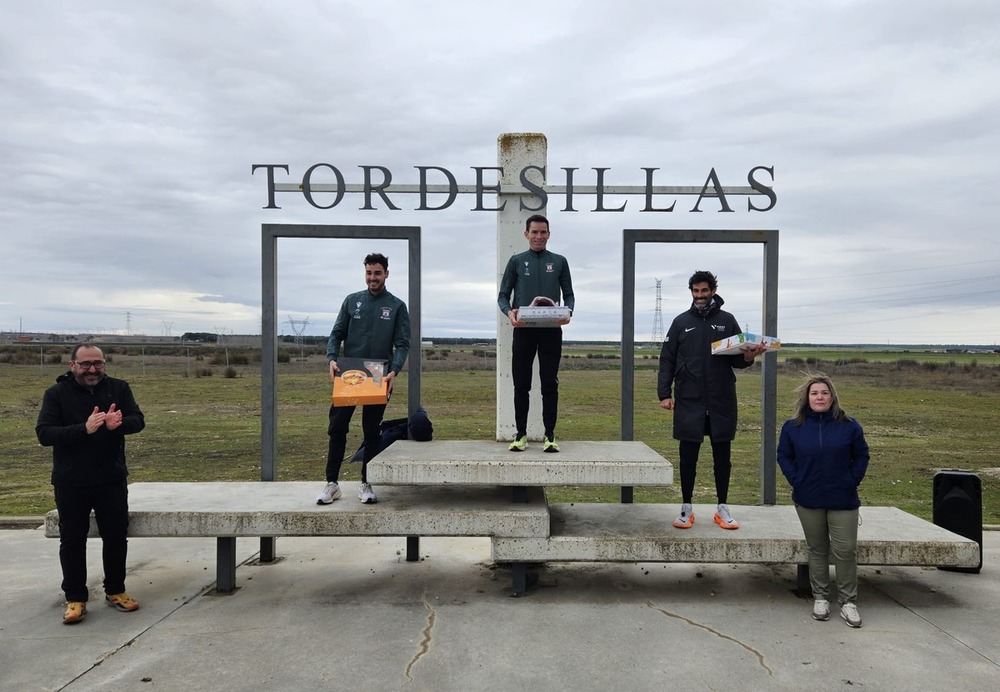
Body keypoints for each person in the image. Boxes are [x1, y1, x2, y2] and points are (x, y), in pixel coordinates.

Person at [35, 344, 145, 624]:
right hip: (71, 481)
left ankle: (116, 591)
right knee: (72, 539)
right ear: (72, 365)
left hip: (111, 478)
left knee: (116, 536)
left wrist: (117, 424)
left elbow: (138, 421)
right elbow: (45, 433)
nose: (92, 370)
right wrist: (84, 429)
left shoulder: (119, 388)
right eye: (85, 364)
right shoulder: (56, 394)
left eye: (98, 363)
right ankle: (75, 598)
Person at [657, 270, 765, 530]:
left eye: (704, 291)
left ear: (713, 291)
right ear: (691, 292)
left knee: (722, 456)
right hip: (689, 398)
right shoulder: (681, 322)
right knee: (688, 456)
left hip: (721, 398)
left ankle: (723, 508)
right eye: (695, 291)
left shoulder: (727, 321)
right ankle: (686, 508)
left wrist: (750, 356)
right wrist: (665, 393)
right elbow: (667, 358)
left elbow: (738, 359)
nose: (700, 296)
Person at [777, 373, 870, 628]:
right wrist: (797, 480)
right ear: (807, 398)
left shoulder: (849, 426)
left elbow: (862, 455)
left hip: (843, 498)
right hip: (808, 498)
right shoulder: (792, 427)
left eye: (824, 393)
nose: (820, 397)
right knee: (817, 549)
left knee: (846, 550)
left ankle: (848, 602)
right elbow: (783, 455)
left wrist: (852, 480)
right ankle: (821, 598)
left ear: (832, 397)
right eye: (815, 393)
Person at [318, 252, 410, 505]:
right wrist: (332, 358)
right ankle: (331, 483)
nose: (373, 278)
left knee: (371, 432)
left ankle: (366, 483)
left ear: (386, 274)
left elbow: (403, 344)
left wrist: (395, 370)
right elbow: (336, 334)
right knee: (337, 429)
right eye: (369, 273)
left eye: (377, 273)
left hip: (378, 376)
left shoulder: (397, 306)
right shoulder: (352, 301)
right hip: (348, 374)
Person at [497, 214, 575, 453]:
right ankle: (520, 435)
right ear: (526, 234)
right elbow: (503, 296)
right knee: (522, 384)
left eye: (543, 232)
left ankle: (550, 436)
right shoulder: (517, 261)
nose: (539, 237)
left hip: (551, 331)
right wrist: (510, 314)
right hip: (524, 332)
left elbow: (569, 295)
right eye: (535, 232)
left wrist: (569, 312)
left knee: (549, 384)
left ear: (549, 234)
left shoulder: (560, 261)